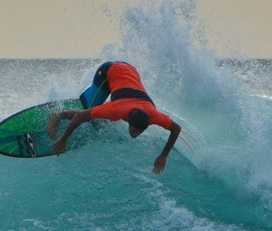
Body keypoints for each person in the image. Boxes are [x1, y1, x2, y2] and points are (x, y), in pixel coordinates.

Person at [48, 61, 181, 174]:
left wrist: (164, 155)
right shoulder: (116, 110)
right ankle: (58, 115)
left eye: (140, 132)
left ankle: (98, 110)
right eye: (134, 131)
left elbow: (176, 129)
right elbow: (80, 116)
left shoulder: (154, 116)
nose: (136, 136)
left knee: (101, 115)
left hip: (130, 71)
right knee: (87, 112)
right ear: (129, 121)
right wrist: (63, 139)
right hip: (109, 70)